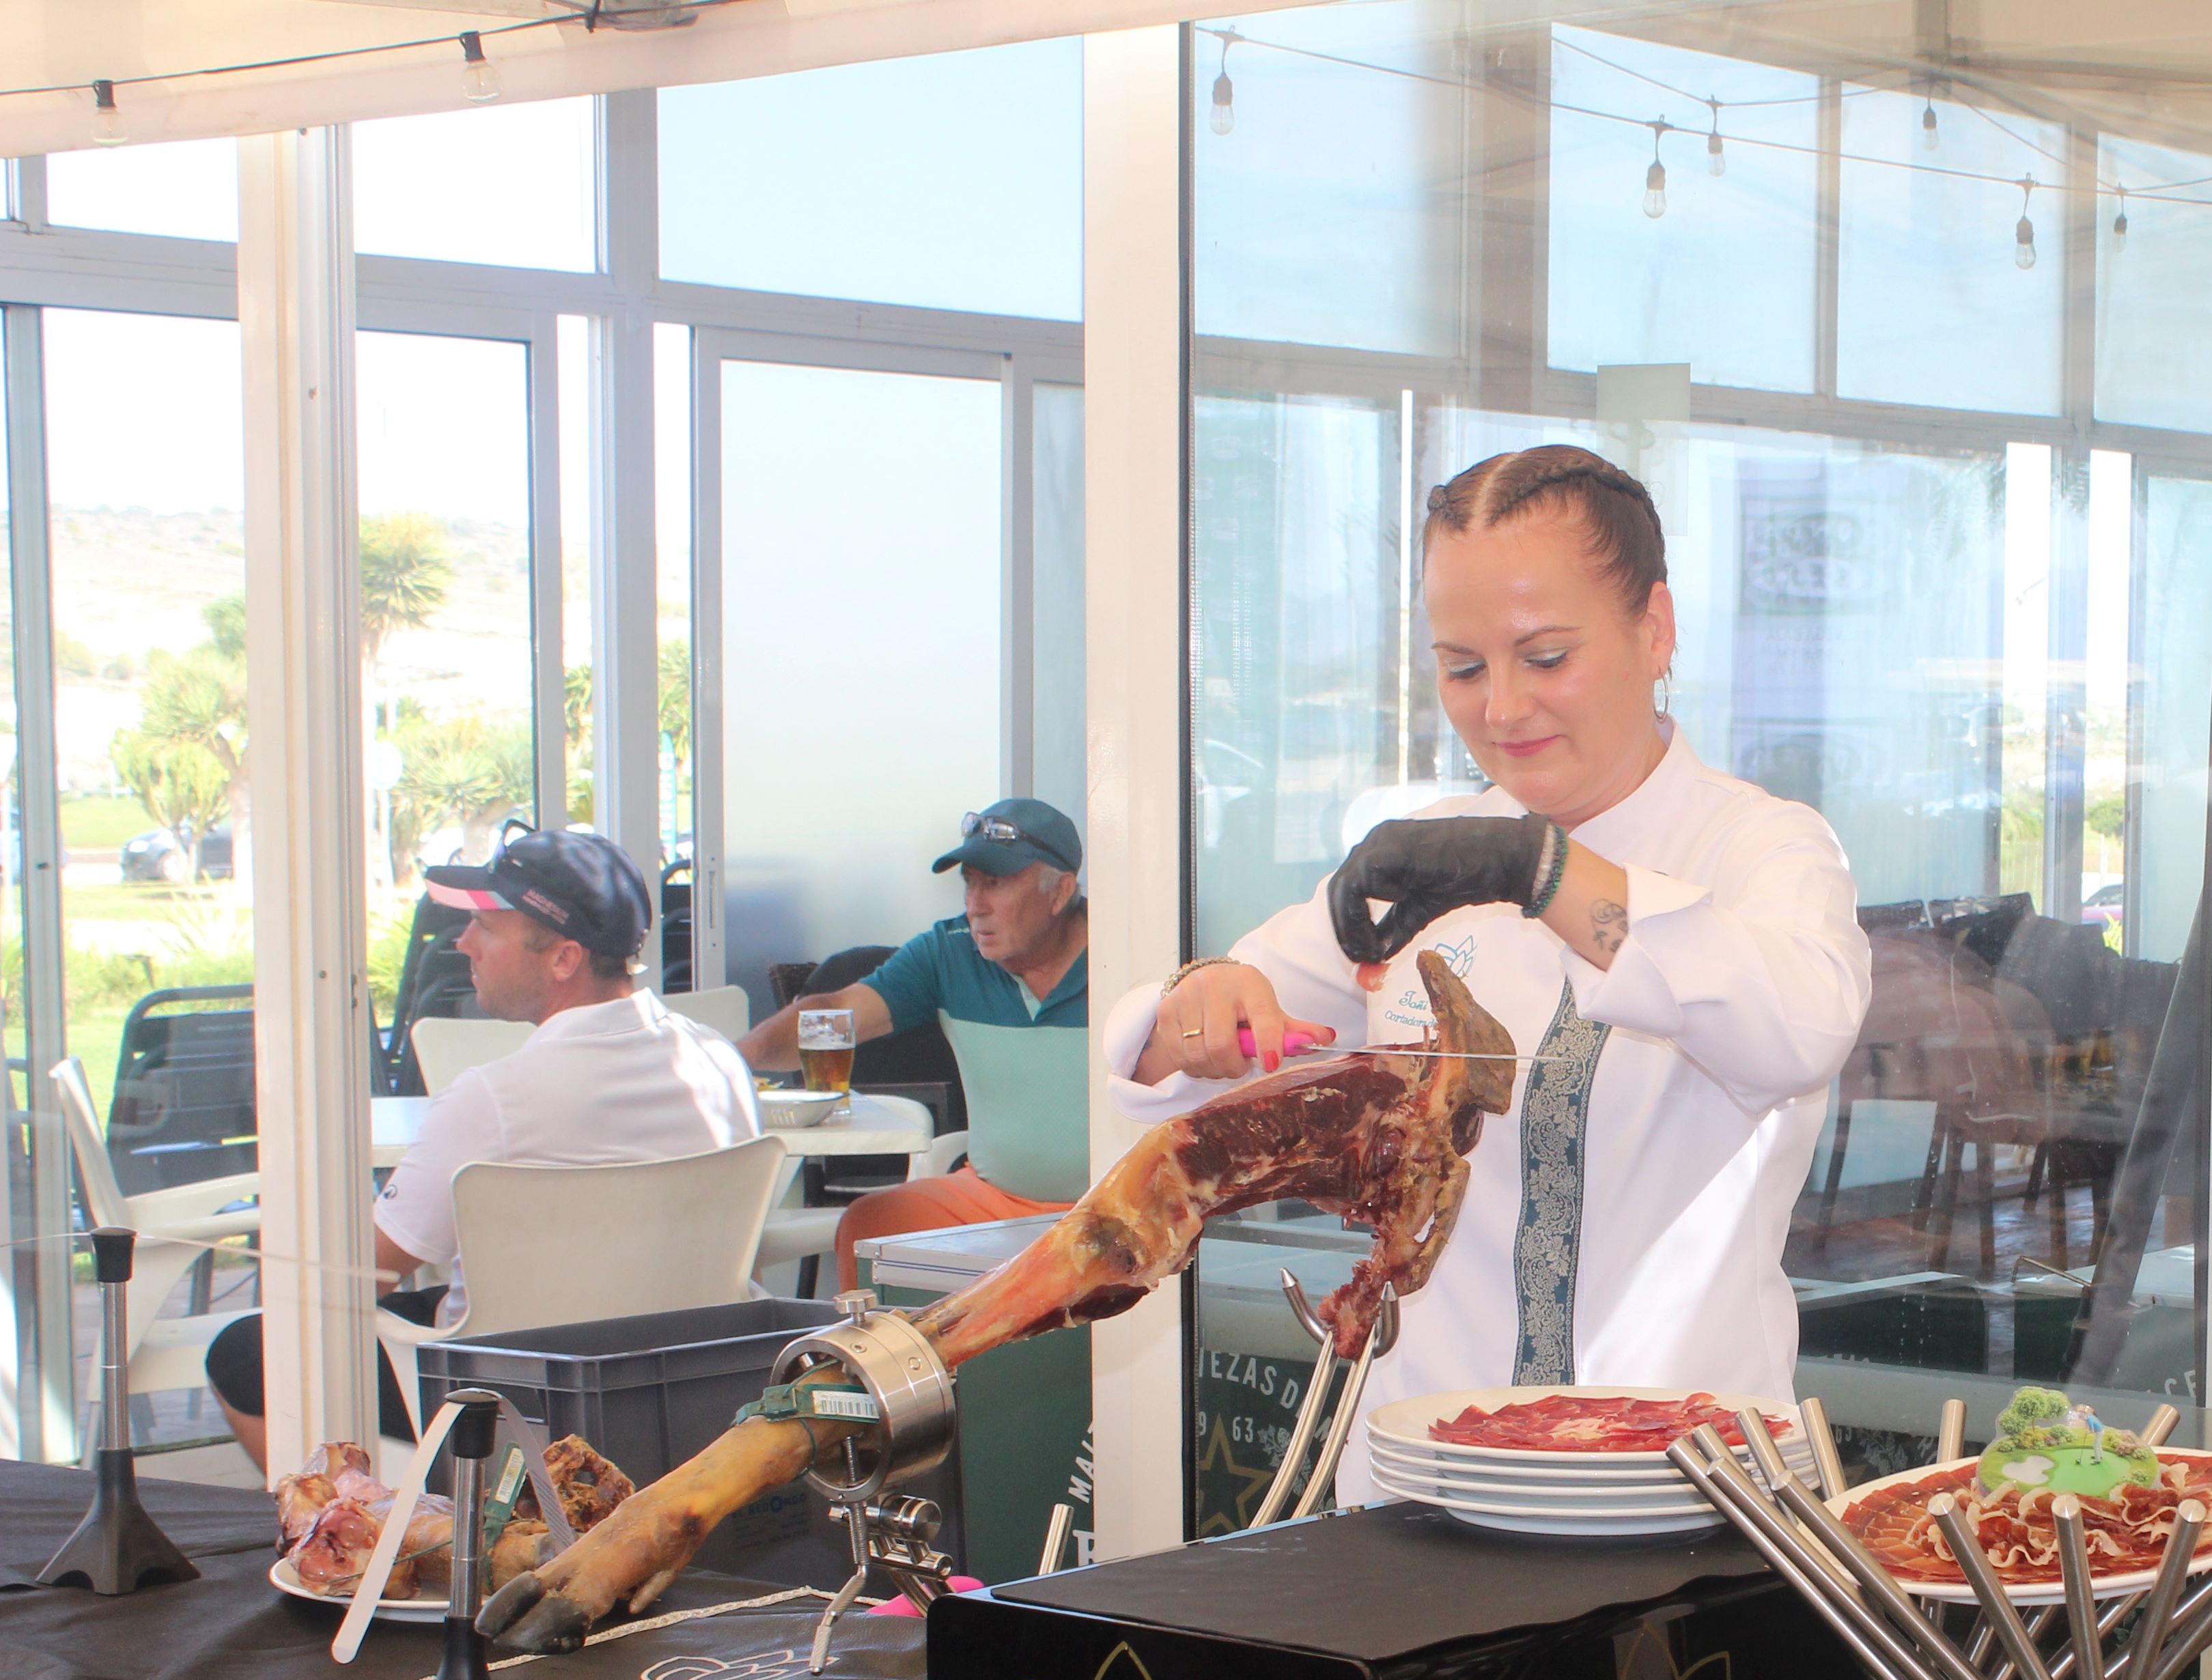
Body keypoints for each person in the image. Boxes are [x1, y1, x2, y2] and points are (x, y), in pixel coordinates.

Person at [1108, 445, 1871, 1504]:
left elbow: (1797, 1026)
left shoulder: (1760, 849)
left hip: (1685, 1495)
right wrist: (1196, 1005)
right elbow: (1185, 1051)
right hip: (1424, 1487)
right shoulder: (1432, 852)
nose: (1503, 709)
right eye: (1463, 668)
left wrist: (1538, 870)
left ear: (1655, 629)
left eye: (1546, 657)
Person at [209, 829, 760, 1466]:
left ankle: (354, 1521)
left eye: (486, 927)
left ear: (564, 958)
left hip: (511, 1398)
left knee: (244, 1353)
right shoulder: (717, 1061)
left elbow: (359, 1279)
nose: (462, 941)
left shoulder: (495, 1098)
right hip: (686, 1385)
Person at [738, 797, 1091, 1272]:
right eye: (969, 883)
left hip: (1111, 1204)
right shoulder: (949, 952)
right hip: (993, 1198)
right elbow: (837, 1012)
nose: (975, 905)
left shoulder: (1125, 949)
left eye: (995, 883)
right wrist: (734, 1058)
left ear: (1060, 891)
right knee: (870, 1227)